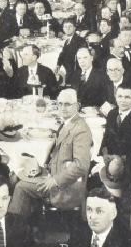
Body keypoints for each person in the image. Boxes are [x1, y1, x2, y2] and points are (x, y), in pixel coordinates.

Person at [9, 88, 93, 218]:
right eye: (60, 104)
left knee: (20, 186)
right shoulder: (69, 123)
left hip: (66, 187)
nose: (63, 108)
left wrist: (54, 180)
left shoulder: (81, 130)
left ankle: (14, 229)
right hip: (55, 173)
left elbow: (81, 166)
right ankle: (29, 221)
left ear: (77, 106)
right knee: (18, 174)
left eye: (67, 104)